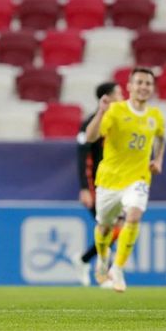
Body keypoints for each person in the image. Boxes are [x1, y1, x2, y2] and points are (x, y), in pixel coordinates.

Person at [85, 67, 165, 292]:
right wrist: (100, 112)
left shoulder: (155, 116)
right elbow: (90, 137)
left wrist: (157, 159)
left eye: (148, 83)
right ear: (129, 87)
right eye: (139, 82)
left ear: (152, 88)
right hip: (110, 179)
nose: (143, 87)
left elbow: (160, 138)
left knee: (134, 215)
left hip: (138, 177)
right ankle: (102, 259)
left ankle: (117, 269)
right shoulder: (115, 110)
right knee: (104, 227)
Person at [71, 82, 124, 287]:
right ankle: (103, 275)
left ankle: (85, 261)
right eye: (119, 92)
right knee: (109, 226)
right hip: (96, 184)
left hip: (114, 183)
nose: (123, 95)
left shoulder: (117, 122)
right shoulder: (90, 124)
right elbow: (82, 156)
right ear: (107, 98)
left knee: (115, 227)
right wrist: (85, 188)